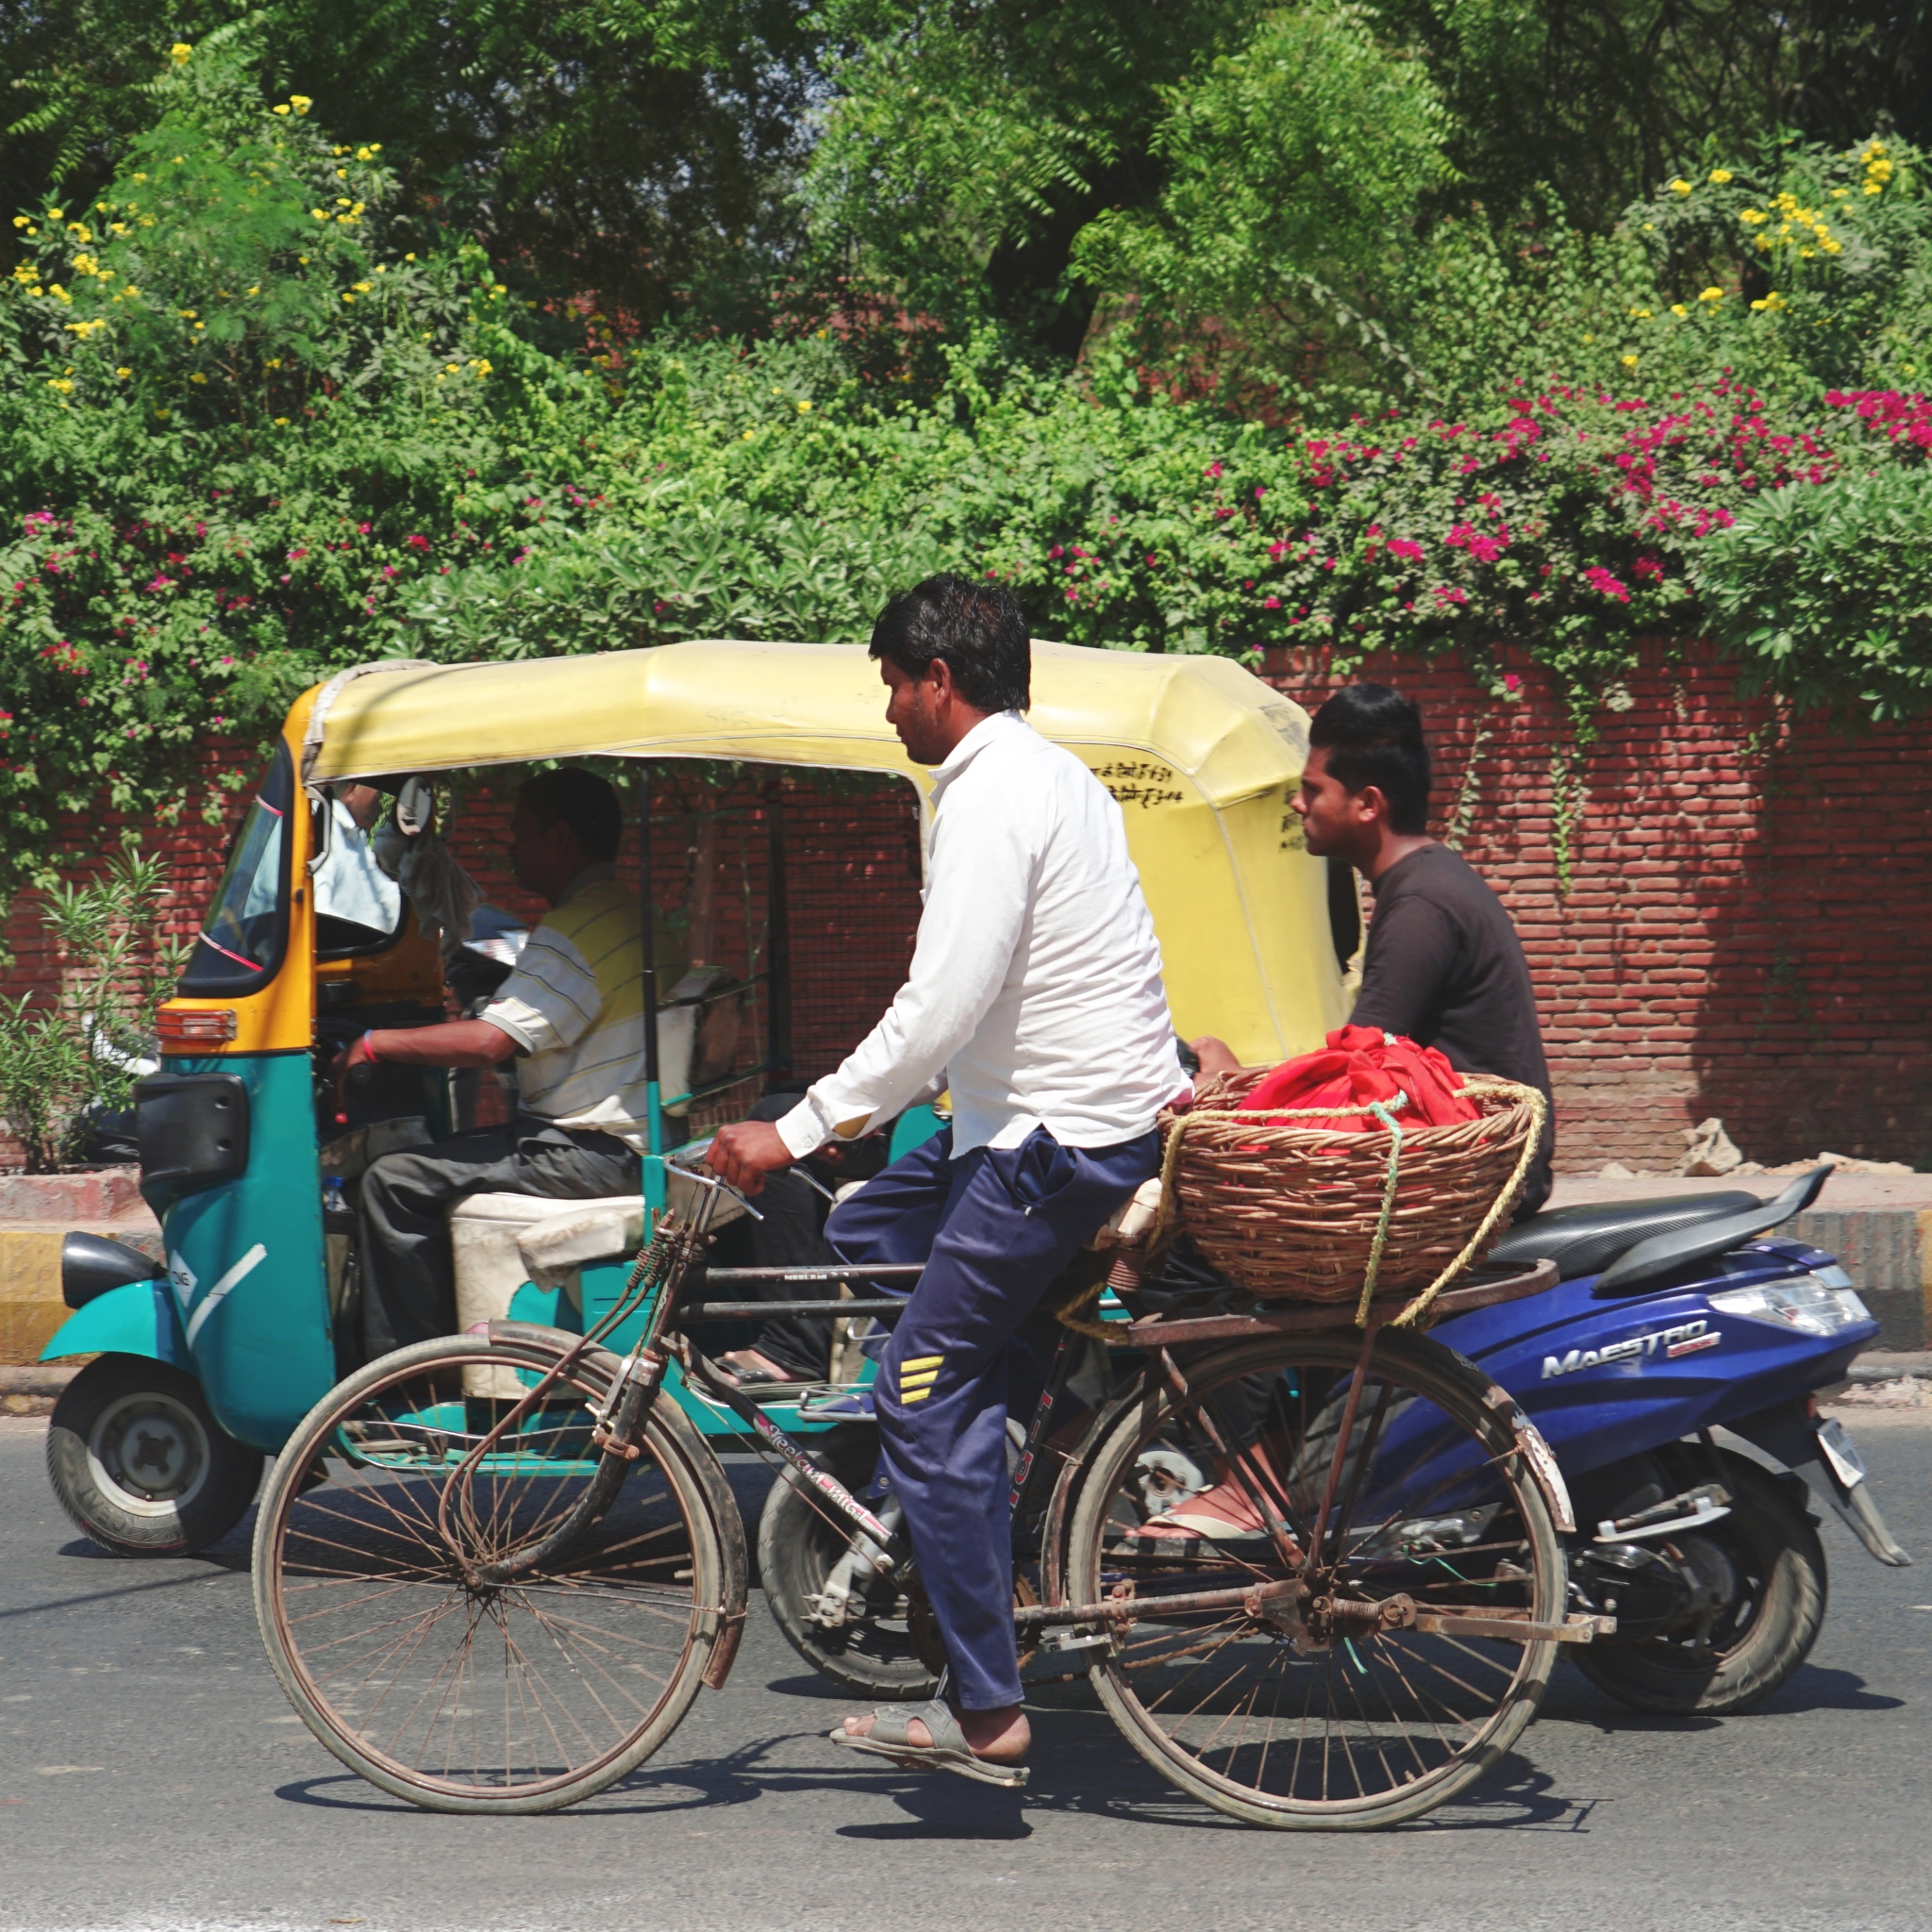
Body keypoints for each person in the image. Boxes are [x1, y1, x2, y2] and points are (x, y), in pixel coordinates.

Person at [707, 574, 1187, 1785]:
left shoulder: (988, 793)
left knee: (919, 1391)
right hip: (1043, 1124)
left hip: (1055, 1141)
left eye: (892, 688)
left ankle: (984, 1712)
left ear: (939, 679)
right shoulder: (1050, 774)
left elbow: (938, 1003)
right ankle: (994, 1513)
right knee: (870, 1219)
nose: (888, 716)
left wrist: (799, 1126)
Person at [343, 768, 671, 1358]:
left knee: (391, 1182)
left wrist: (374, 1044)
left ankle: (415, 1373)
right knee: (450, 1156)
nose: (509, 848)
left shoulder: (574, 933)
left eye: (520, 833)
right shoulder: (632, 916)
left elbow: (490, 1044)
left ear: (562, 839)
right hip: (634, 1141)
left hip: (593, 1153)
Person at [1204, 682, 1553, 1215]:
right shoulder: (1427, 880)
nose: (1299, 803)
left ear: (1367, 804)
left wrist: (1234, 1089)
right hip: (1467, 1158)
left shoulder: (1421, 904)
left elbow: (1352, 1074)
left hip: (1480, 1177)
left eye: (1313, 790)